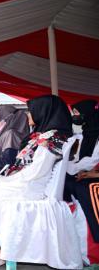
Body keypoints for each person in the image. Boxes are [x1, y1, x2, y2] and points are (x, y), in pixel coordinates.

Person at [0, 95, 73, 268]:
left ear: (43, 112)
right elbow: (22, 166)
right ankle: (1, 246)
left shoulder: (51, 139)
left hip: (31, 188)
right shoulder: (40, 136)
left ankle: (2, 248)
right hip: (23, 183)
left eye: (31, 112)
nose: (28, 116)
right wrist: (6, 178)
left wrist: (7, 181)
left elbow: (36, 172)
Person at [64, 100, 99, 243]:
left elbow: (92, 160)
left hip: (92, 175)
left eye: (77, 113)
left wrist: (71, 169)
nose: (75, 116)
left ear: (87, 114)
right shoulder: (87, 133)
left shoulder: (95, 134)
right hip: (88, 173)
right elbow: (80, 159)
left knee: (80, 186)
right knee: (66, 182)